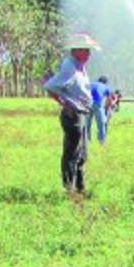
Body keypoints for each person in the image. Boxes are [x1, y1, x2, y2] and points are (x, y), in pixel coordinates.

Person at [44, 33, 99, 192]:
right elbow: (50, 86)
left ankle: (80, 187)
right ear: (77, 50)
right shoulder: (69, 67)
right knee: (72, 153)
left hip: (82, 113)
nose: (89, 54)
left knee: (82, 153)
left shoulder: (79, 67)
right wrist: (65, 104)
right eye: (86, 50)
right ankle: (70, 188)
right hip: (74, 114)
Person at [87, 75, 112, 144]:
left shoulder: (92, 84)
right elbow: (109, 100)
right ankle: (102, 140)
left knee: (87, 123)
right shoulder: (106, 87)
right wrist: (107, 109)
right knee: (101, 123)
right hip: (97, 104)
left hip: (87, 103)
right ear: (105, 82)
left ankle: (87, 139)